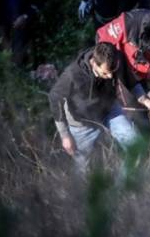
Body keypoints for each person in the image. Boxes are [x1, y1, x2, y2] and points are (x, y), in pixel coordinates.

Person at [48, 42, 138, 172]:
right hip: (82, 123)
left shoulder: (115, 59)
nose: (111, 76)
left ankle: (122, 187)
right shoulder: (73, 74)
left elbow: (129, 79)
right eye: (105, 73)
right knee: (83, 169)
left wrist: (144, 99)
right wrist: (64, 135)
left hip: (109, 110)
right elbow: (54, 96)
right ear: (94, 63)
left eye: (112, 72)